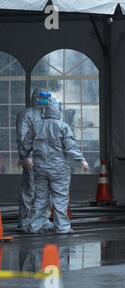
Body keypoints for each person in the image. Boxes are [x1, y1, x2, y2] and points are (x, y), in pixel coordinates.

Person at [21, 98, 89, 234]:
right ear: (58, 110)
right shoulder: (63, 126)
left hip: (40, 168)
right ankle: (62, 227)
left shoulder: (37, 125)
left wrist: (25, 156)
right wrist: (81, 160)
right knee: (60, 198)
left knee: (40, 198)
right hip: (59, 169)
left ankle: (34, 226)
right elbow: (71, 147)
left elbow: (26, 144)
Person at [15, 88, 51, 232]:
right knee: (29, 189)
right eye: (43, 97)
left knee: (43, 190)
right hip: (31, 158)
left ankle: (41, 220)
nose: (45, 100)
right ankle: (25, 220)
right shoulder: (27, 114)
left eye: (47, 97)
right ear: (35, 97)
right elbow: (22, 137)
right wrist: (25, 156)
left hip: (44, 158)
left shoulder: (45, 115)